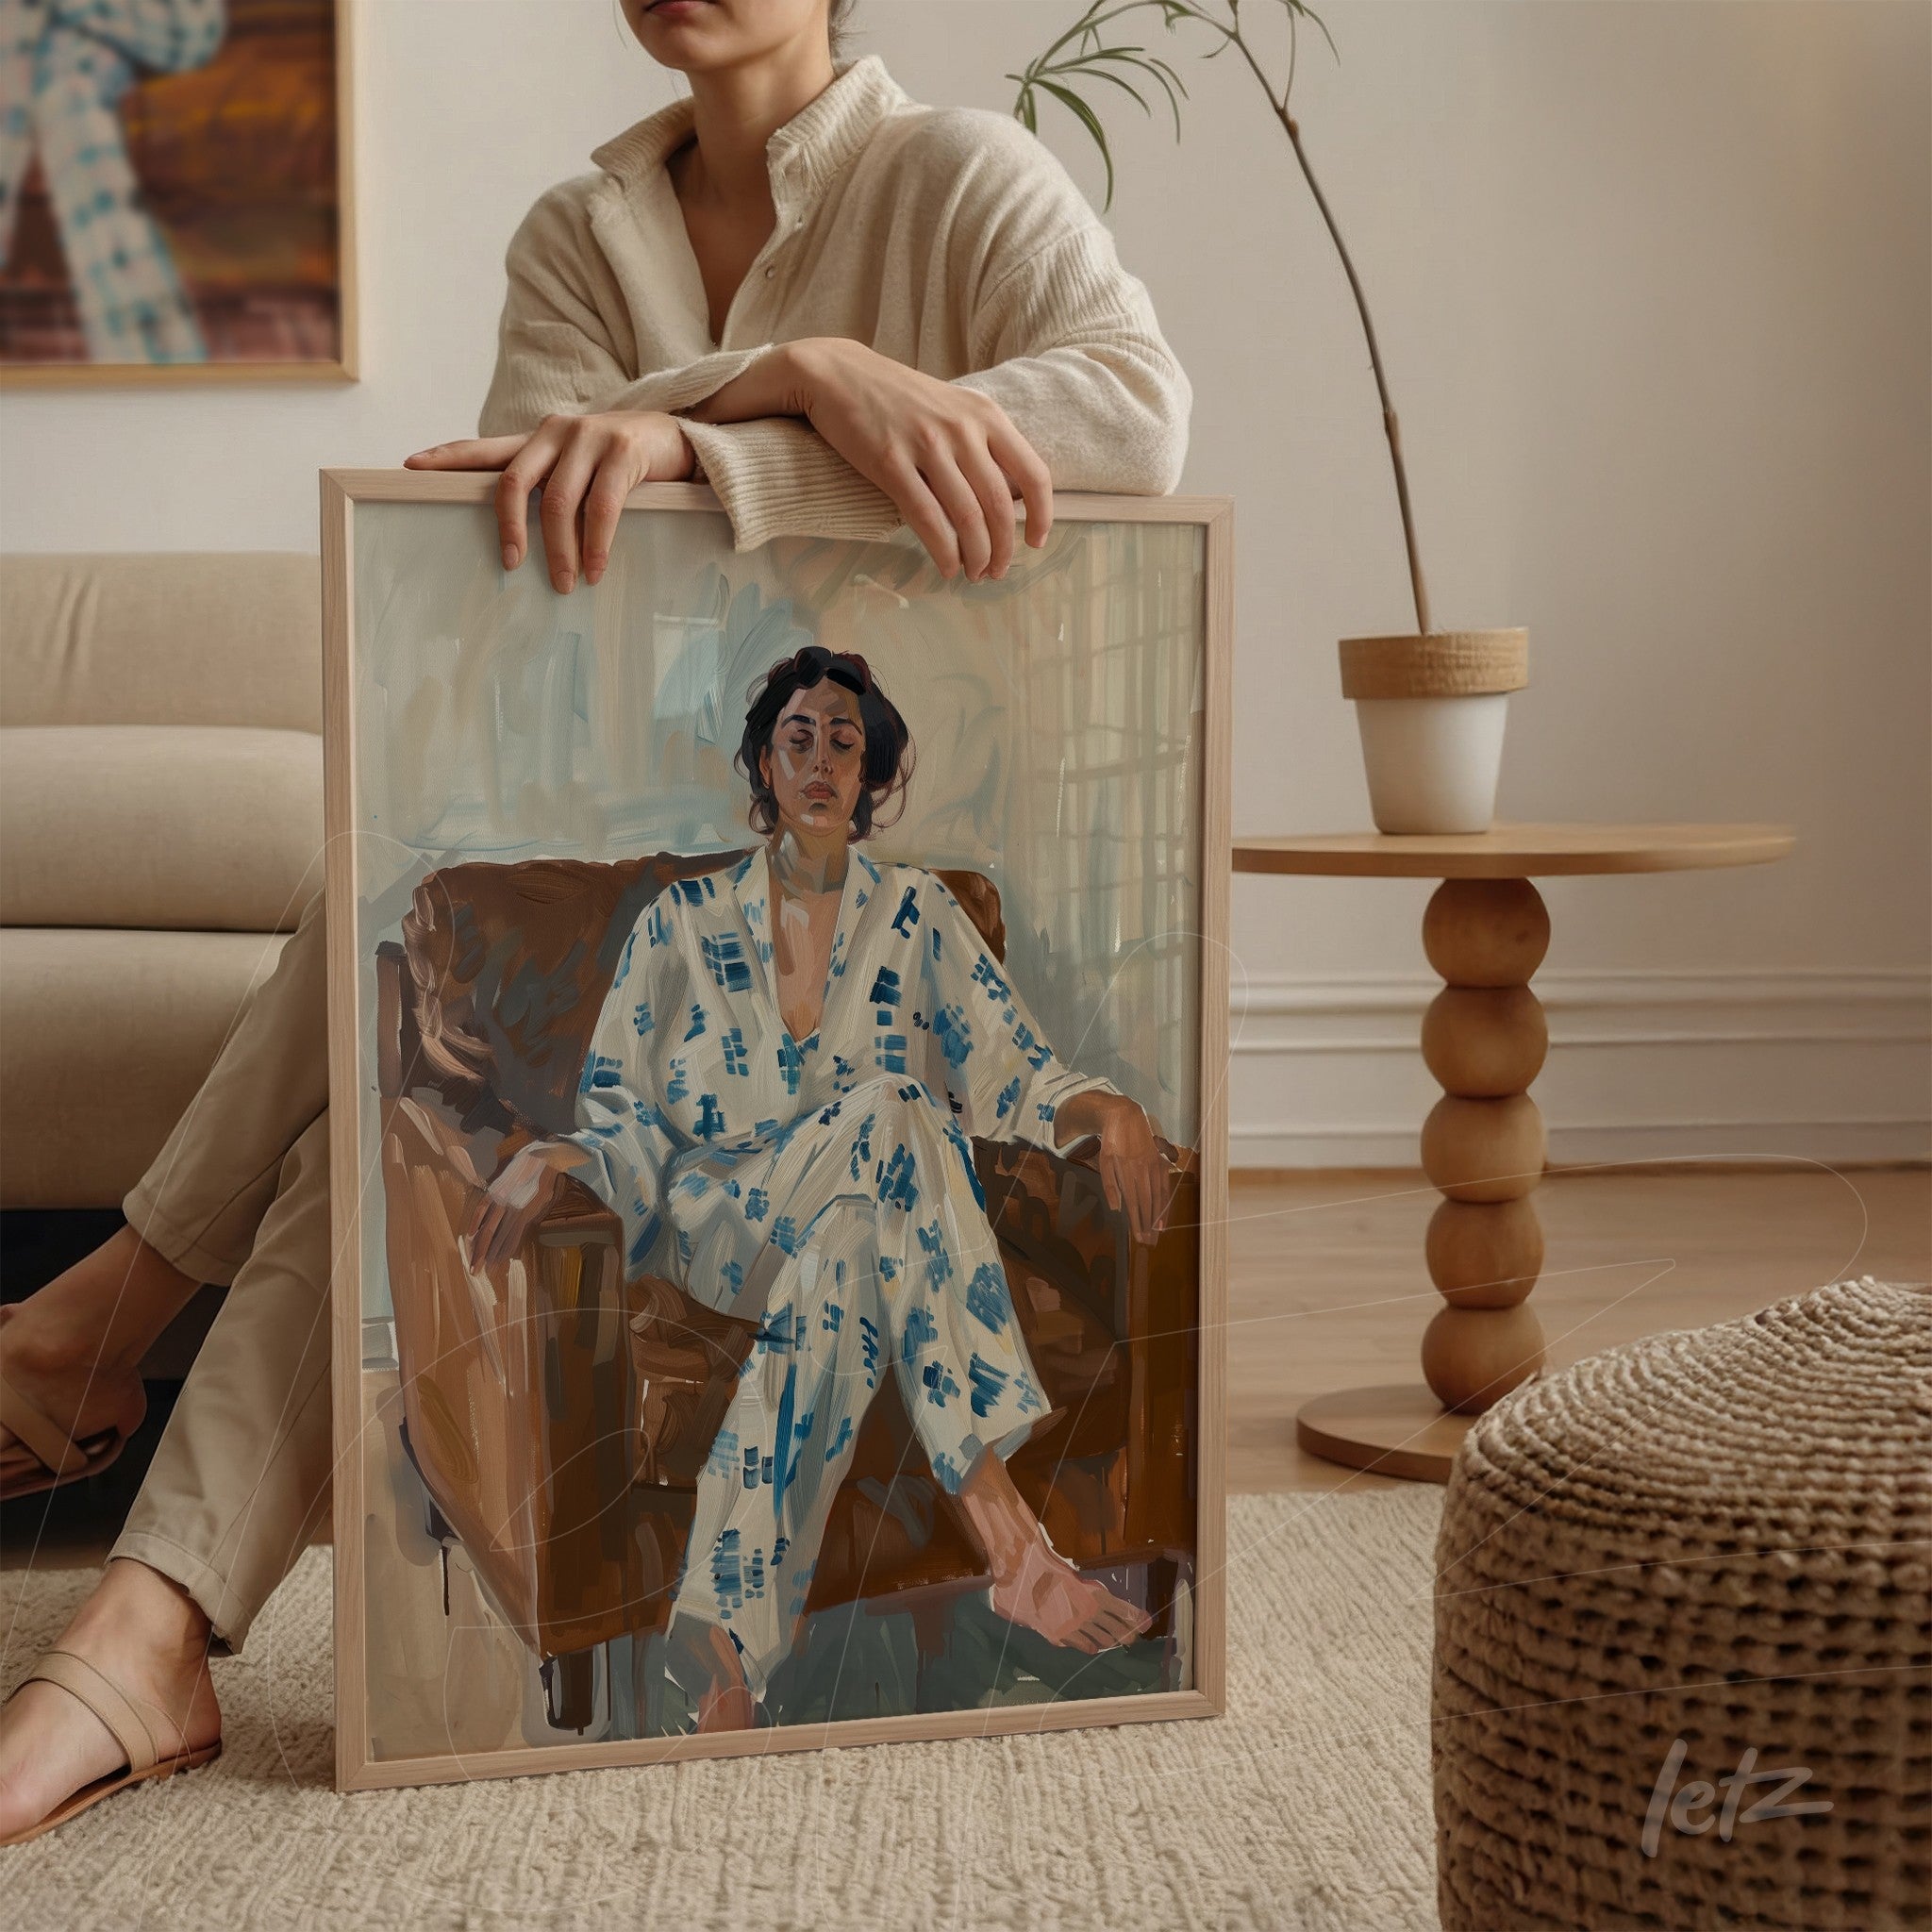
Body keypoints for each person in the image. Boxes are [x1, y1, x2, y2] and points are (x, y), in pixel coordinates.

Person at [0, 0, 1190, 1839]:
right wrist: (806, 377)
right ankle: (148, 1586)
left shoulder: (957, 177)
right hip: (614, 863)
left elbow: (1131, 419)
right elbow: (520, 551)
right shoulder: (578, 234)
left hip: (905, 876)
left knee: (406, 986)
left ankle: (141, 1518)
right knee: (392, 924)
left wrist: (738, 417)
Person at [467, 644, 1164, 1729]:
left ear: (872, 775)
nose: (822, 760)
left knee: (844, 1255)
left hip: (856, 1229)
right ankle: (1013, 1547)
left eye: (847, 741)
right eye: (799, 737)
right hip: (718, 1216)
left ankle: (720, 1650)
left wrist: (1101, 1108)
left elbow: (1011, 1069)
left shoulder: (921, 914)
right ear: (763, 763)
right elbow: (622, 1109)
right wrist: (566, 1157)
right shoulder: (680, 923)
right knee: (894, 1108)